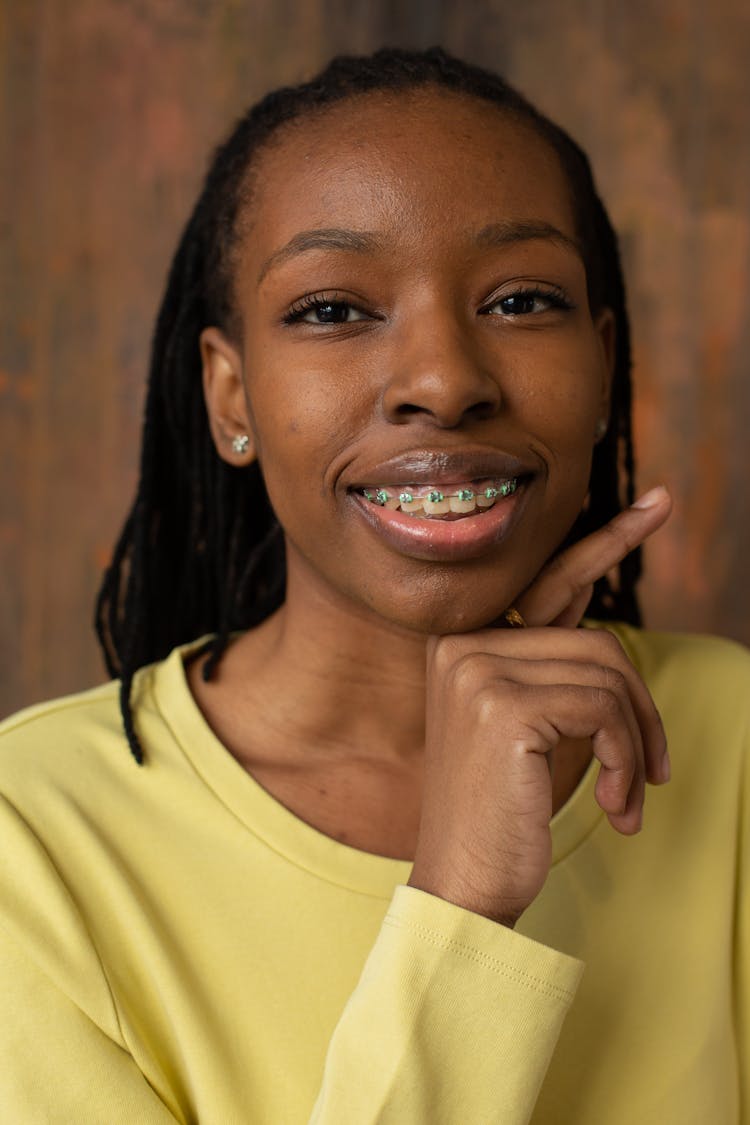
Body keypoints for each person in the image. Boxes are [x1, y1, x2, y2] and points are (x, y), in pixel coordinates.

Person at [0, 46, 747, 1124]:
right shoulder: (32, 843)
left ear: (601, 367)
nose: (444, 381)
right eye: (333, 311)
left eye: (522, 299)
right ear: (229, 395)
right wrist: (462, 905)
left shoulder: (734, 744)